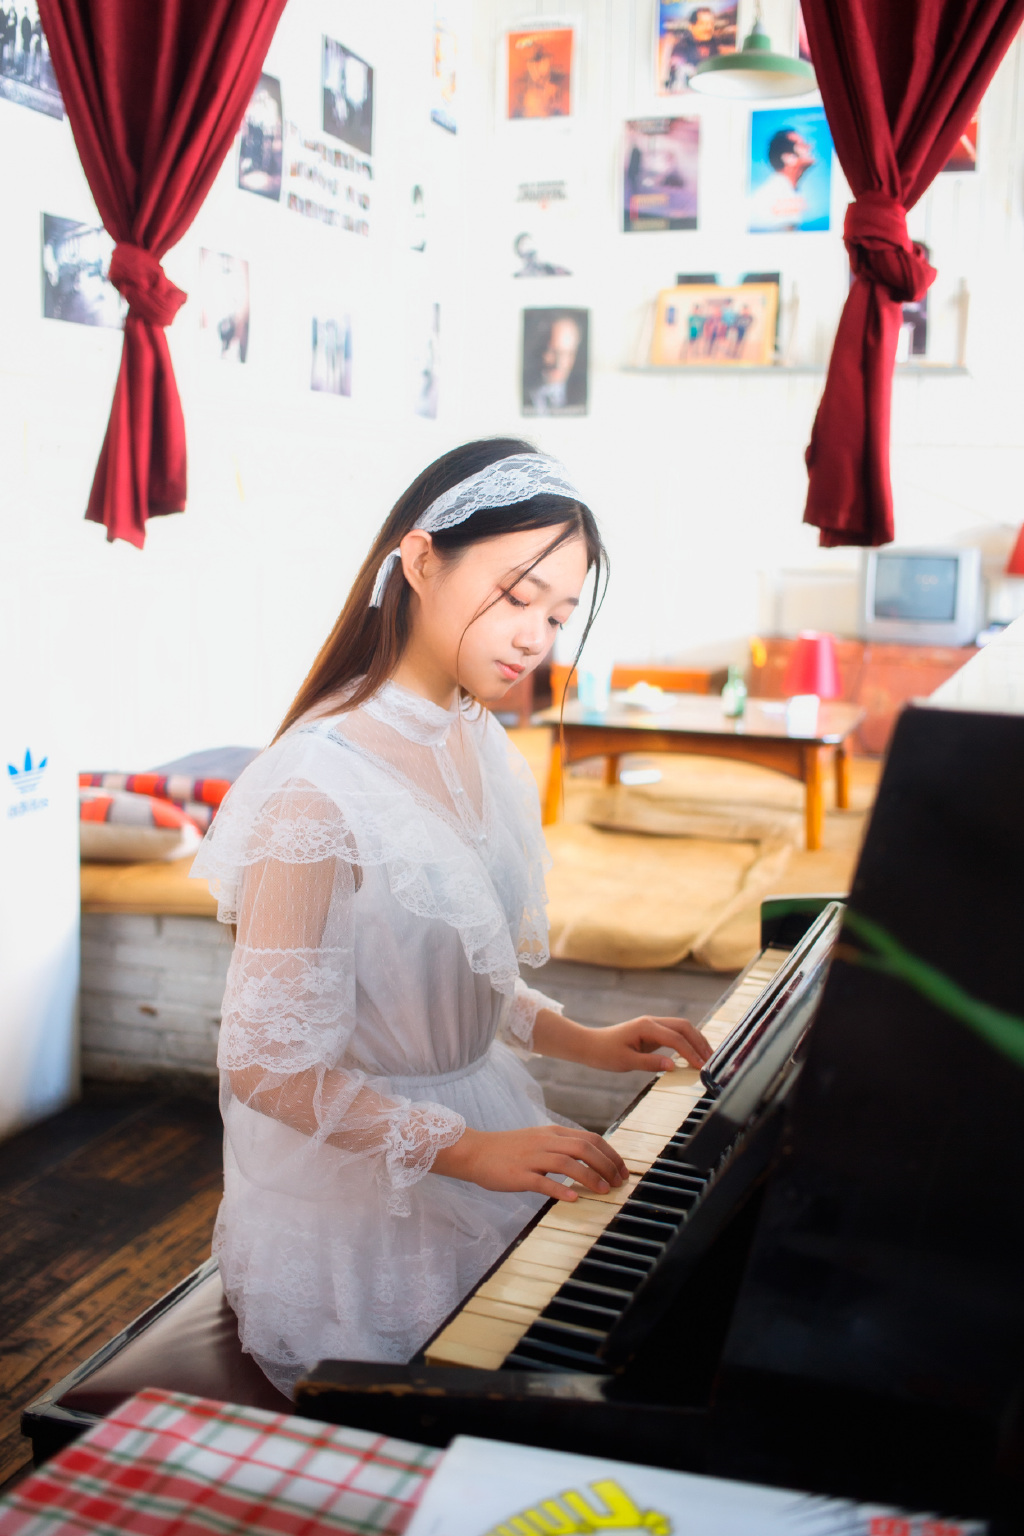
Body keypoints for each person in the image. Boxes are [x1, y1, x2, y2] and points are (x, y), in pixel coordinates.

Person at [192, 440, 711, 1392]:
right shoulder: (317, 788)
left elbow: (454, 967)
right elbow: (266, 1066)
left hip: (482, 1122)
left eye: (559, 613)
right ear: (422, 560)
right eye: (518, 596)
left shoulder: (476, 738)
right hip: (364, 1191)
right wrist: (466, 1151)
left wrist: (582, 1040)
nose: (536, 635)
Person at [748, 127, 816, 232]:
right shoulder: (776, 195)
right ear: (788, 157)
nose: (809, 146)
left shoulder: (787, 190)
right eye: (801, 144)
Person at [523, 315, 586, 414]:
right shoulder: (524, 393)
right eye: (552, 352)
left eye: (567, 354)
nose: (558, 363)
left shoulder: (580, 397)